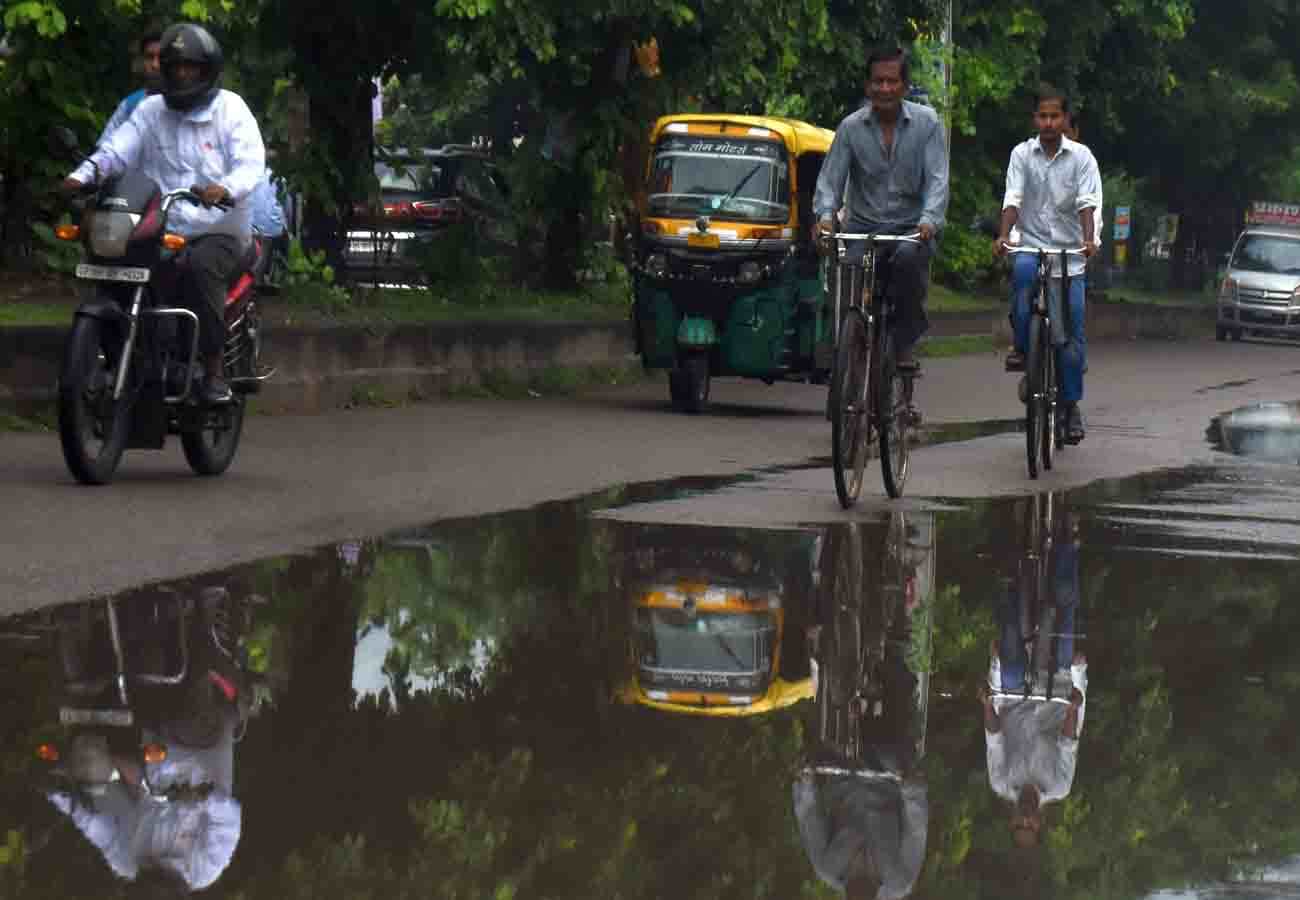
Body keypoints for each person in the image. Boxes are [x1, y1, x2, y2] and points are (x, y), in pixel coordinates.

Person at [62, 22, 267, 406]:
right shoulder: (150, 110)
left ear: (207, 70)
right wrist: (81, 176)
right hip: (161, 224)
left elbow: (250, 164)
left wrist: (225, 189)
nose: (182, 74)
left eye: (190, 67)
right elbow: (116, 151)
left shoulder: (231, 110)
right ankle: (130, 354)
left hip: (219, 229)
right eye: (175, 67)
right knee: (115, 264)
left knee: (200, 266)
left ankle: (212, 370)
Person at [793, 520, 930, 899]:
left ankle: (824, 587)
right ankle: (897, 595)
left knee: (820, 689)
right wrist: (908, 786)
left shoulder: (826, 866)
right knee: (899, 684)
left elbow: (809, 816)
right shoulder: (899, 879)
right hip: (887, 767)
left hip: (839, 760)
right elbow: (916, 826)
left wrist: (803, 778)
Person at [814, 46, 950, 397]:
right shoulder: (850, 128)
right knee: (845, 269)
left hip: (909, 229)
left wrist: (930, 220)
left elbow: (938, 179)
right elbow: (830, 182)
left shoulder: (927, 123)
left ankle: (904, 343)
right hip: (863, 228)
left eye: (892, 81)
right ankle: (845, 351)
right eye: (878, 82)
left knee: (908, 261)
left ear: (904, 86)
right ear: (868, 86)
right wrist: (825, 219)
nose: (885, 89)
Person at [993, 85, 1102, 444]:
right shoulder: (1022, 155)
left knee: (1071, 337)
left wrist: (1087, 241)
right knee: (1022, 275)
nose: (1049, 122)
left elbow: (1087, 202)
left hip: (1071, 254)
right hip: (1031, 245)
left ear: (1066, 120)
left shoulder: (1082, 158)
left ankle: (1070, 407)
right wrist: (1004, 235)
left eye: (1056, 116)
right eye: (1043, 116)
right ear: (1034, 119)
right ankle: (1026, 351)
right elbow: (1013, 198)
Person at [978, 498, 1087, 850]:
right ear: (1041, 824)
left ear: (1012, 821)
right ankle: (1069, 540)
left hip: (1013, 693)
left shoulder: (1000, 782)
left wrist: (986, 704)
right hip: (1056, 689)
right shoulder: (1059, 786)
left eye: (1019, 825)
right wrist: (1072, 705)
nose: (1025, 819)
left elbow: (994, 738)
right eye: (1031, 826)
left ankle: (1011, 552)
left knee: (1009, 631)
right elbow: (1068, 742)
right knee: (1066, 614)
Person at [97, 29, 163, 146]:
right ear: (142, 61)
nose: (155, 65)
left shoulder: (188, 106)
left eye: (161, 58)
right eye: (149, 57)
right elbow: (103, 151)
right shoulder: (130, 105)